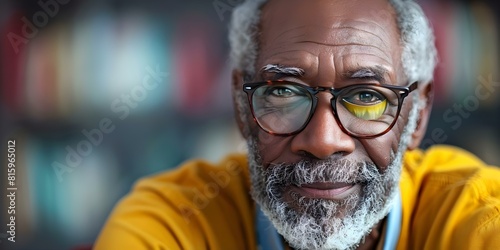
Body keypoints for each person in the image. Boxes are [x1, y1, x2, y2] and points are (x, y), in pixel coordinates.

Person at [95, 0, 500, 249]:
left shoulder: (476, 217)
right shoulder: (171, 226)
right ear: (240, 104)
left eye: (365, 96)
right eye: (285, 92)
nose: (323, 141)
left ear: (417, 116)